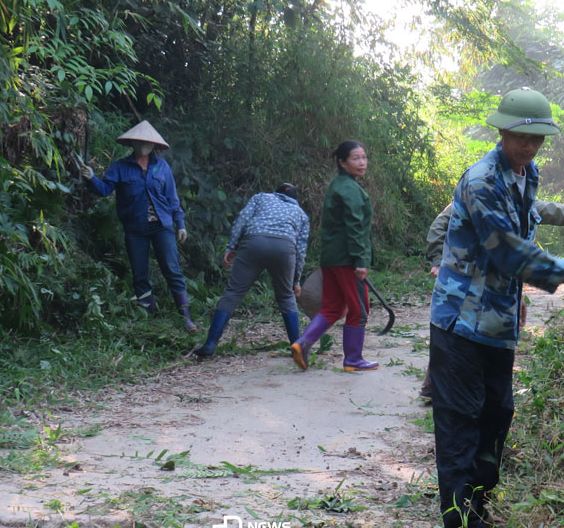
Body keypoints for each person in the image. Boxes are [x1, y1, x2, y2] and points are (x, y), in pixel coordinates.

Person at [429, 88, 564, 528]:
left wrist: (519, 296)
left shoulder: (526, 175)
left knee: (497, 413)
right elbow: (508, 250)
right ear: (502, 131)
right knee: (459, 418)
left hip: (496, 321)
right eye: (520, 136)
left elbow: (524, 231)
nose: (528, 146)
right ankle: (458, 523)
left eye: (537, 139)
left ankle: (479, 507)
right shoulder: (482, 180)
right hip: (459, 322)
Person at [419, 198, 564, 401]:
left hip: (497, 284)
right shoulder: (476, 193)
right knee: (453, 330)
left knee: (479, 336)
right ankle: (434, 388)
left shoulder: (523, 201)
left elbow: (556, 212)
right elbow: (439, 227)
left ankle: (460, 390)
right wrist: (438, 260)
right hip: (464, 279)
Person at [80, 121, 197, 331]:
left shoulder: (162, 167)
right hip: (135, 229)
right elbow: (104, 189)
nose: (143, 146)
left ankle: (186, 317)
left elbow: (172, 198)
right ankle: (148, 319)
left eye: (147, 143)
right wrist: (91, 178)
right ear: (132, 143)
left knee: (172, 269)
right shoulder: (120, 166)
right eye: (139, 142)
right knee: (140, 273)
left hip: (162, 225)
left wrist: (180, 224)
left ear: (153, 146)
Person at [189, 183, 310, 358]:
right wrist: (296, 281)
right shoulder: (300, 214)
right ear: (294, 198)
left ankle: (209, 344)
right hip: (285, 248)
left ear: (275, 193)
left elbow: (242, 220)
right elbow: (301, 250)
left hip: (254, 243)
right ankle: (297, 349)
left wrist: (231, 247)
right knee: (285, 297)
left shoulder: (261, 197)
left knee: (233, 293)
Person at [290, 140, 377, 372]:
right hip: (347, 259)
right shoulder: (349, 188)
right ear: (342, 162)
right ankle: (353, 359)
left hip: (331, 258)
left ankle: (302, 344)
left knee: (332, 308)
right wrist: (360, 261)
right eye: (355, 158)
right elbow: (355, 227)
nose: (362, 162)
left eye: (364, 157)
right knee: (359, 308)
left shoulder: (338, 185)